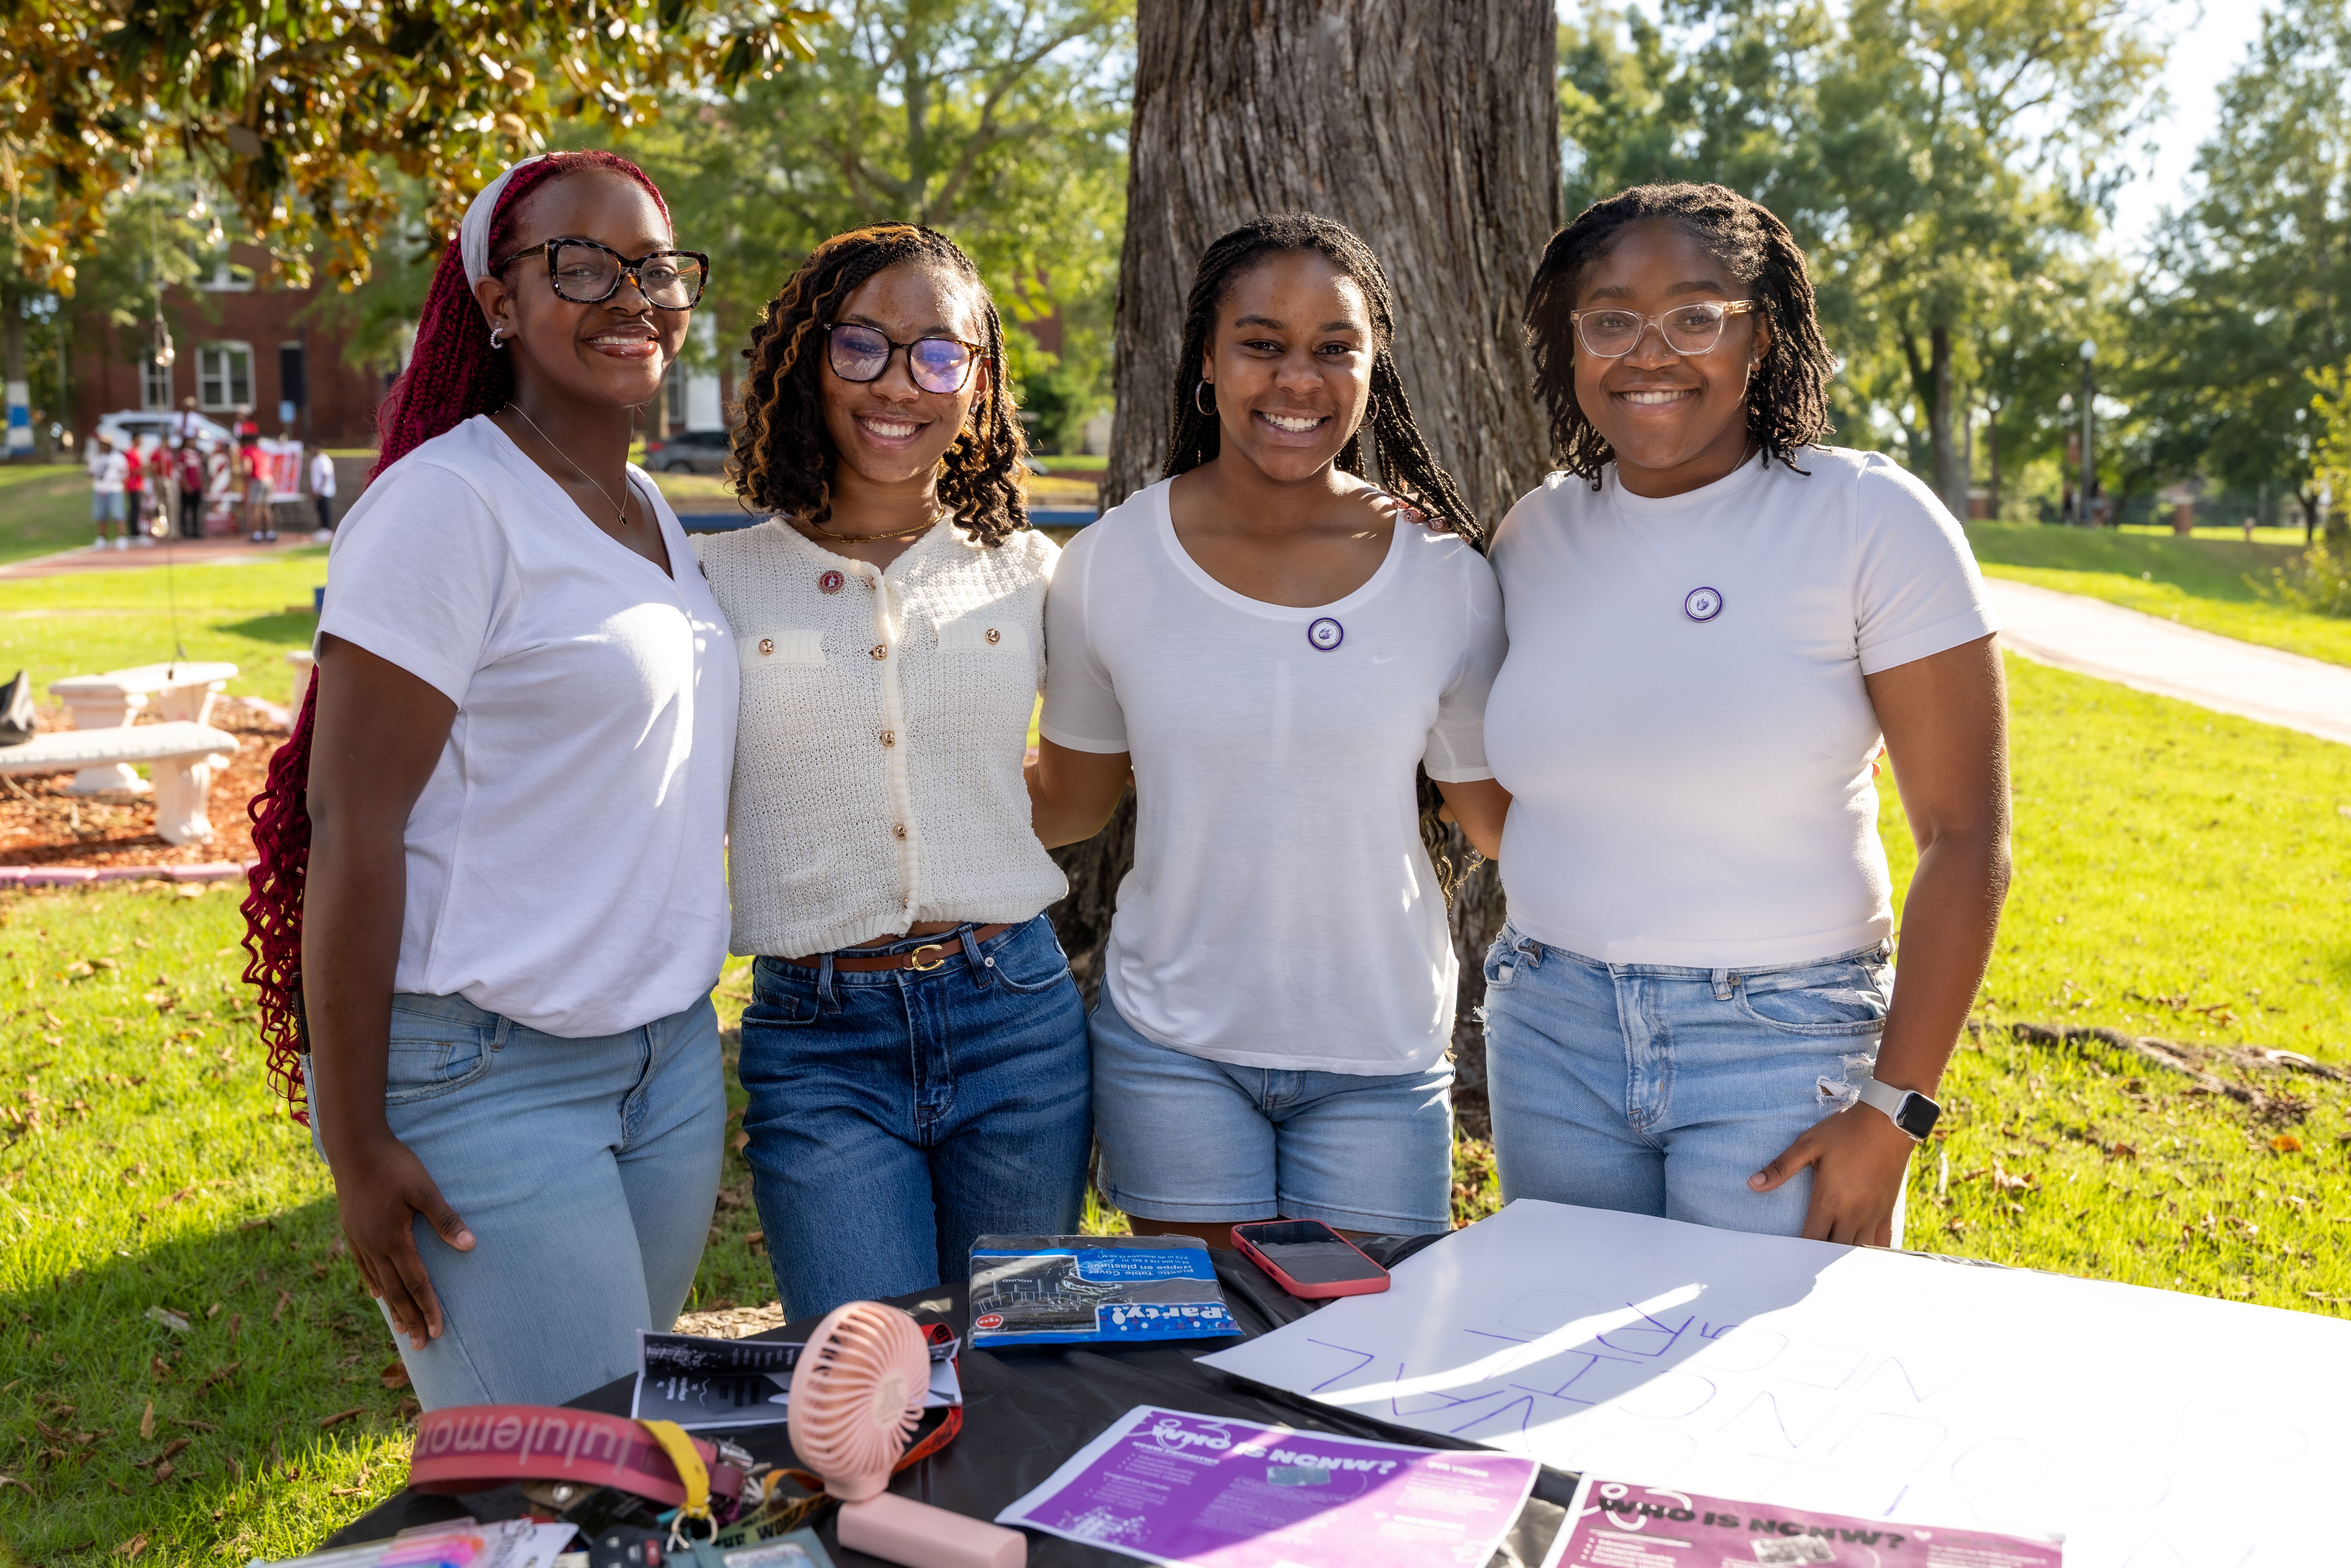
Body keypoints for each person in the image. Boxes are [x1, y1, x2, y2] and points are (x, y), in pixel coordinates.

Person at [240, 150, 736, 1409]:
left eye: (656, 268)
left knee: (620, 1450)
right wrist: (355, 1144)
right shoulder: (446, 506)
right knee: (558, 1488)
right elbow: (353, 824)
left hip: (664, 1060)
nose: (632, 296)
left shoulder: (645, 506)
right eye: (581, 264)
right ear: (498, 302)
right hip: (482, 1073)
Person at [1480, 182, 2012, 1248]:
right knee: (1553, 1395)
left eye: (1693, 314)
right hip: (1548, 1027)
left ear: (1759, 335)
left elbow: (1966, 842)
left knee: (1763, 1390)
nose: (1648, 351)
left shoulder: (1866, 517)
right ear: (1569, 341)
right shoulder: (1533, 533)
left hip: (1779, 1044)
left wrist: (1891, 1111)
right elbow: (1519, 781)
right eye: (1609, 319)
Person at [1026, 214, 1509, 1246]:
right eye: (1261, 344)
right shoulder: (1111, 564)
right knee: (1202, 1386)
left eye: (1334, 349)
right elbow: (1067, 804)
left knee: (1360, 1385)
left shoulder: (1445, 578)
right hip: (1172, 1048)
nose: (1298, 380)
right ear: (1205, 359)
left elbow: (1496, 821)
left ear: (1373, 365)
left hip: (1379, 1054)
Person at [703, 224, 1089, 1321]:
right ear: (805, 359)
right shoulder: (718, 579)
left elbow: (1075, 789)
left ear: (977, 378)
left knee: (1018, 1355)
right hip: (817, 1036)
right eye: (862, 345)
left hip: (1014, 1013)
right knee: (863, 1379)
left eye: (936, 353)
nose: (897, 383)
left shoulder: (1028, 571)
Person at [88, 433, 127, 549]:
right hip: (100, 489)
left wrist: (117, 480)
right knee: (101, 516)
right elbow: (93, 472)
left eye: (104, 444)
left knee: (118, 515)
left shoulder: (118, 457)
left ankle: (121, 538)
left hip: (115, 489)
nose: (102, 447)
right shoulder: (97, 458)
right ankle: (102, 538)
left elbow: (124, 472)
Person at [241, 432, 276, 542]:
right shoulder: (261, 452)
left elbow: (247, 469)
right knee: (266, 507)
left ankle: (257, 534)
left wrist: (245, 482)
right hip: (268, 479)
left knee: (255, 507)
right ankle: (271, 533)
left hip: (257, 479)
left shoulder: (247, 451)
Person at [175, 438, 207, 540]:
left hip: (196, 486)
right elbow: (181, 473)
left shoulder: (197, 455)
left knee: (196, 510)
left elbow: (200, 473)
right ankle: (185, 531)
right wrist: (186, 485)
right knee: (185, 509)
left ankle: (196, 531)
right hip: (187, 488)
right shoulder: (183, 455)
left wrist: (202, 485)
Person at [308, 446, 338, 538]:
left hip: (325, 490)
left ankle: (327, 530)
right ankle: (323, 529)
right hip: (318, 490)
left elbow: (326, 475)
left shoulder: (324, 460)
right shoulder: (316, 460)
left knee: (325, 511)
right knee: (320, 510)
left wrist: (320, 490)